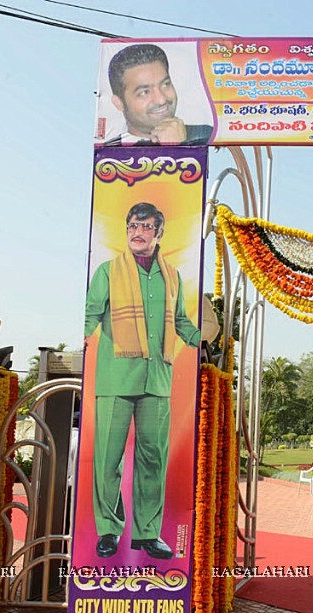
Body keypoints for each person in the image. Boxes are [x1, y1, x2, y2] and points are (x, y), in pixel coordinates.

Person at [84, 201, 201, 560]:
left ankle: (147, 534)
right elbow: (89, 315)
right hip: (116, 377)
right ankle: (108, 529)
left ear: (158, 233)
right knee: (107, 459)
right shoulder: (107, 271)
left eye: (146, 226)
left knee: (153, 459)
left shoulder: (172, 276)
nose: (138, 231)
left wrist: (203, 342)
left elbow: (180, 322)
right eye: (133, 225)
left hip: (157, 380)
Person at [104, 43, 213, 146]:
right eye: (144, 92)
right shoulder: (108, 153)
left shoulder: (206, 136)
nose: (161, 100)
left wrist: (180, 146)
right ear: (118, 103)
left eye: (165, 84)